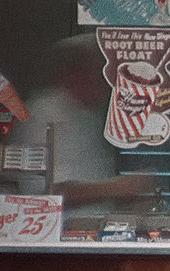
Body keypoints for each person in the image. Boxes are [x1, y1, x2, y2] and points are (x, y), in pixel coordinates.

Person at [22, 34, 157, 212]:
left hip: (94, 226)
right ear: (74, 74)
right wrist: (118, 187)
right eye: (97, 73)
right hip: (58, 228)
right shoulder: (42, 116)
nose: (105, 82)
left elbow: (93, 183)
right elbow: (46, 193)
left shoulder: (87, 117)